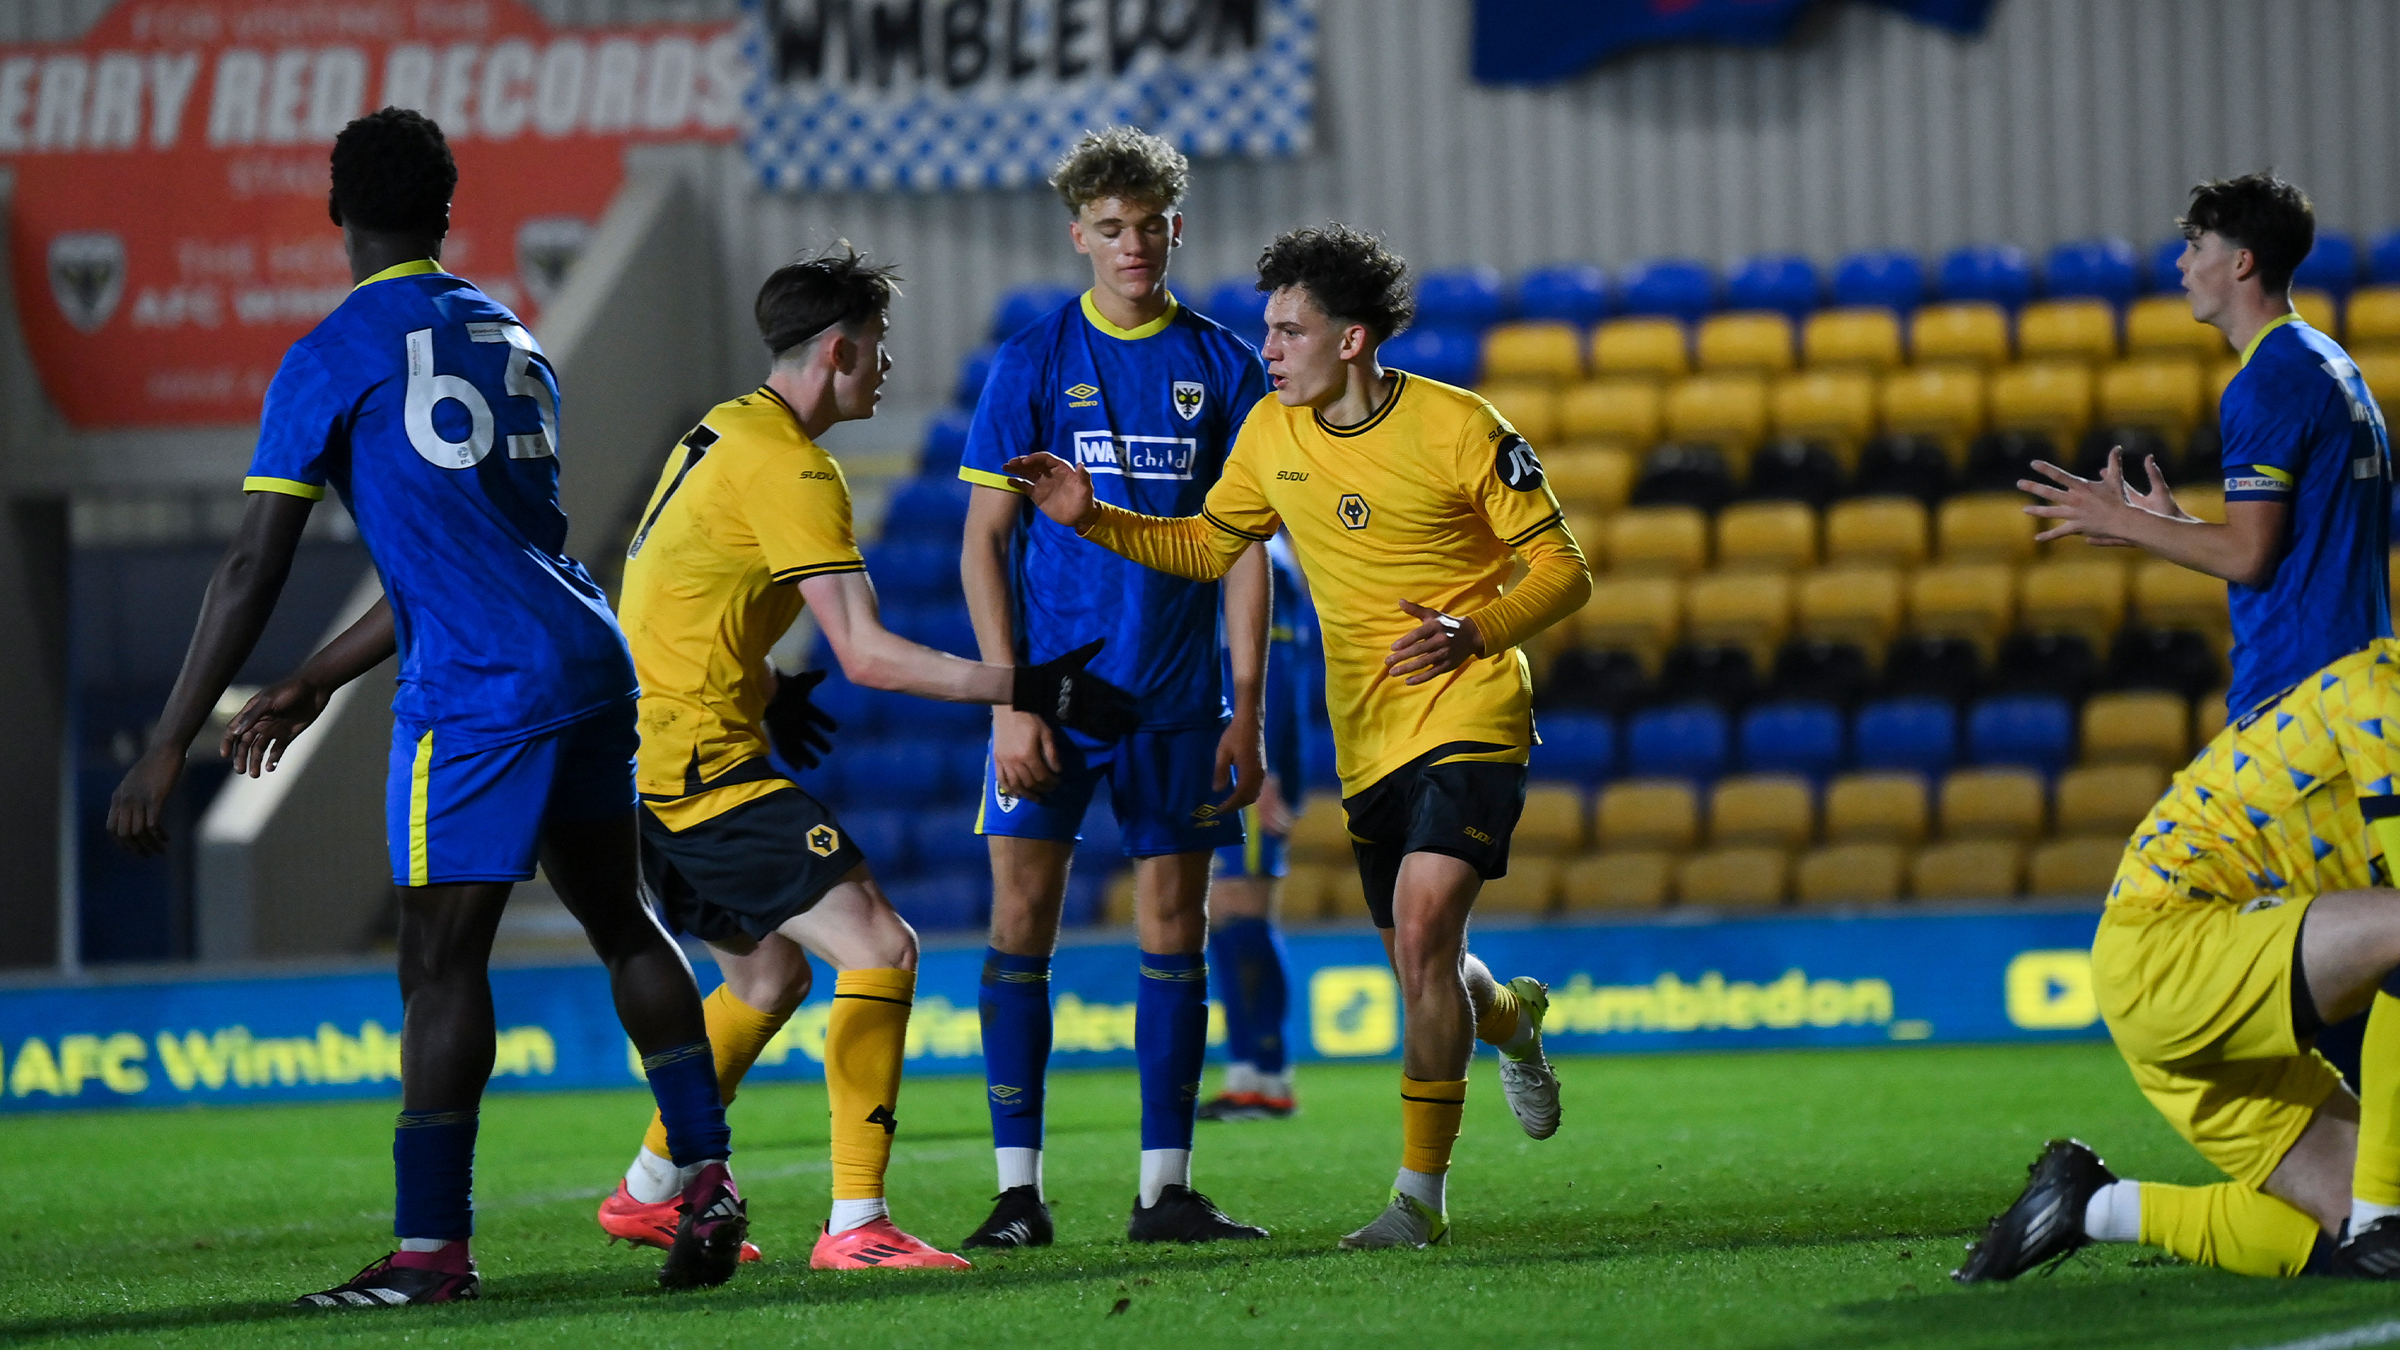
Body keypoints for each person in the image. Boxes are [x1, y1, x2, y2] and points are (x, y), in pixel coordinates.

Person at [108, 109, 748, 1306]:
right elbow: (481, 553)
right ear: (448, 211)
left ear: (334, 209)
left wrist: (166, 740)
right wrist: (311, 680)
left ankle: (429, 1252)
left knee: (439, 965)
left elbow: (252, 565)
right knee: (625, 921)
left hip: (479, 690)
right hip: (585, 653)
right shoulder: (514, 337)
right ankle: (705, 1175)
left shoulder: (333, 353)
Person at [1006, 224, 1590, 1250]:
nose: (1267, 349)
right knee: (1430, 961)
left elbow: (1563, 567)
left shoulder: (1462, 428)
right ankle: (1512, 1022)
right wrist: (1091, 516)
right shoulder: (1272, 437)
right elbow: (1205, 544)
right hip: (1368, 733)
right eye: (1267, 329)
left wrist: (1476, 630)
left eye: (1288, 330)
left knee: (1421, 931)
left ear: (1352, 338)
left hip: (1471, 707)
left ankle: (1419, 1199)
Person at [587, 247, 1141, 1270]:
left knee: (765, 974)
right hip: (699, 764)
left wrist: (767, 688)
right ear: (839, 349)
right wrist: (1031, 686)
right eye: (879, 347)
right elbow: (872, 657)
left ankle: (650, 1191)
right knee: (881, 947)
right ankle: (857, 1228)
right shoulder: (794, 465)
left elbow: (681, 590)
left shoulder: (721, 428)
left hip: (648, 758)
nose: (886, 366)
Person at [955, 127, 1273, 1247]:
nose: (1132, 245)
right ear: (1077, 235)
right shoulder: (1033, 362)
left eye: (1149, 225)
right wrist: (1010, 700)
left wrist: (1249, 710)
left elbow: (1242, 552)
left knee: (1176, 926)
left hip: (1179, 700)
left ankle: (1164, 1191)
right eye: (1110, 228)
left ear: (1176, 226)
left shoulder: (1227, 367)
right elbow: (982, 543)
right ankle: (1016, 1194)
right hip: (1058, 696)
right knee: (1020, 918)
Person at [1954, 636, 2400, 1283]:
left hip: (2203, 992)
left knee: (2355, 1233)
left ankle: (2094, 1208)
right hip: (2169, 949)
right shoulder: (2382, 694)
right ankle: (2383, 1214)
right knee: (2380, 1218)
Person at [2020, 172, 2392, 717]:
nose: (2180, 263)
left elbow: (2248, 558)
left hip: (2300, 698)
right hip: (2350, 687)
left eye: (2196, 247)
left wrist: (2122, 520)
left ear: (2241, 264)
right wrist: (2174, 526)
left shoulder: (2267, 383)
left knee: (2176, 811)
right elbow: (2296, 543)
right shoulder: (2326, 359)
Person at [1199, 532, 1315, 1121]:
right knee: (1235, 914)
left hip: (1248, 760)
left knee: (1238, 913)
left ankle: (1261, 1073)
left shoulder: (1257, 556)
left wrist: (1265, 764)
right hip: (1251, 753)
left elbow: (1273, 677)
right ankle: (1259, 1072)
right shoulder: (1275, 559)